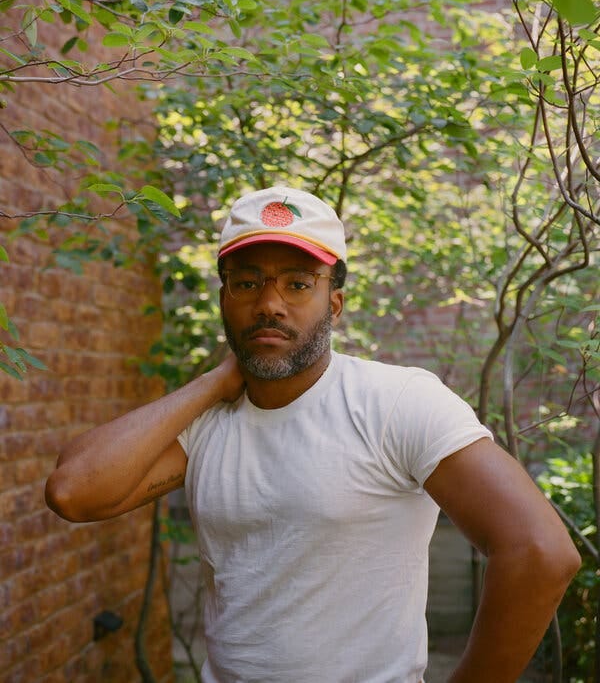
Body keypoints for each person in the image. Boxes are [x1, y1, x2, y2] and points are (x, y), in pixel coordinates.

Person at [46, 185, 581, 683]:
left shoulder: (396, 403)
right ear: (224, 299)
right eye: (248, 282)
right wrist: (216, 380)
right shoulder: (207, 424)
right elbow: (74, 491)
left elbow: (539, 552)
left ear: (335, 302)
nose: (270, 304)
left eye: (299, 283)